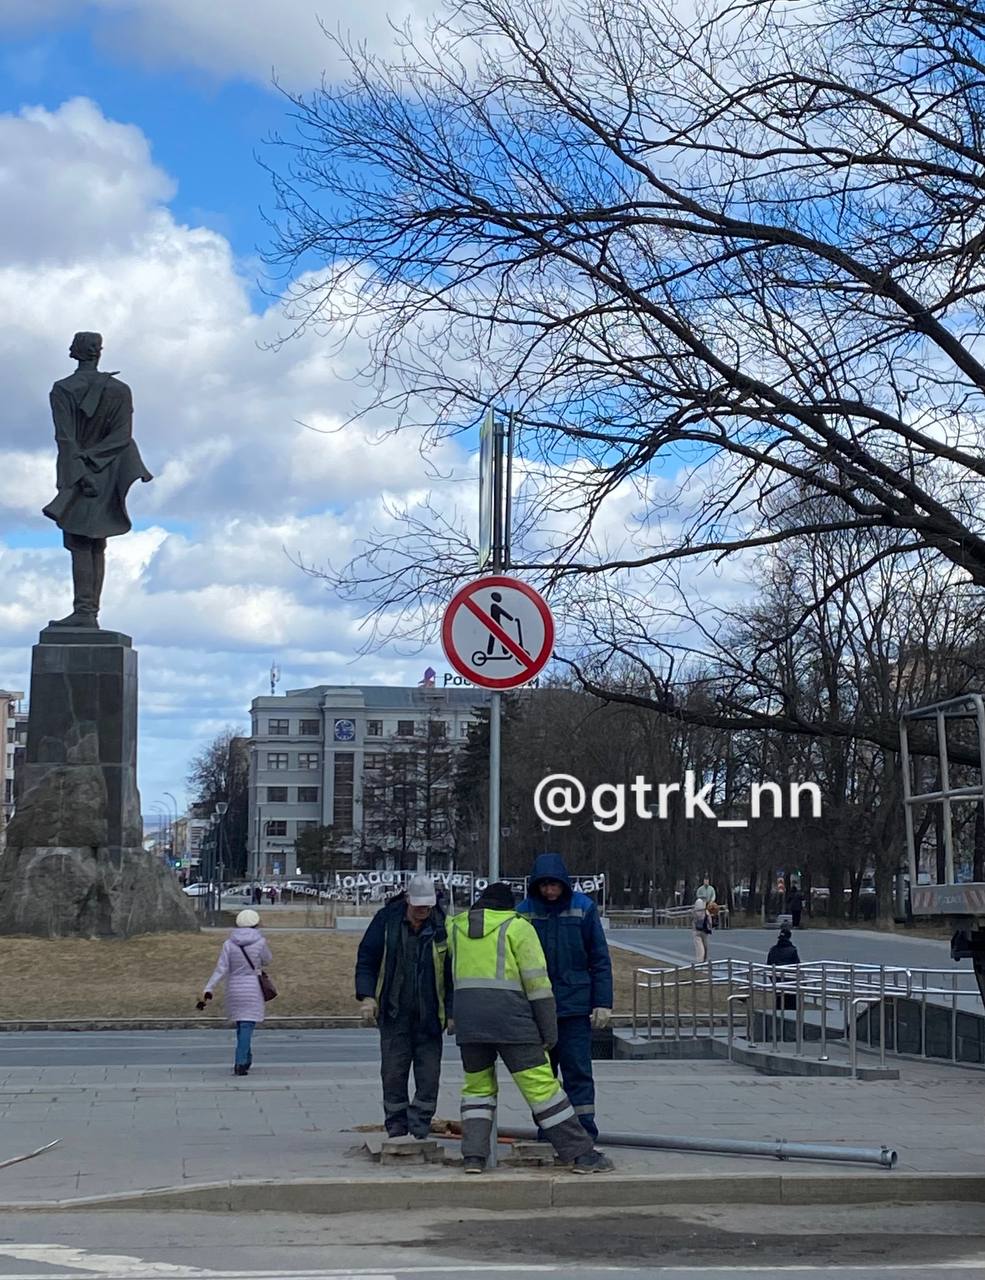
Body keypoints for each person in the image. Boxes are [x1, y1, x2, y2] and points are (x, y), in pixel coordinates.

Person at [449, 881, 613, 1175]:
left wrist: (451, 1014)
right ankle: (580, 1155)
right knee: (543, 1089)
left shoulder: (456, 928)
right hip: (513, 1022)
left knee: (476, 1090)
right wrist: (549, 1032)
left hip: (469, 1024)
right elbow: (538, 987)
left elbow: (447, 974)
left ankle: (474, 1156)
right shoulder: (518, 927)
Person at [42, 331, 152, 628]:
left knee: (80, 543)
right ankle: (88, 612)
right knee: (96, 543)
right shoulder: (120, 390)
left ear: (74, 352)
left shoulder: (63, 389)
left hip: (78, 473)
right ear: (99, 353)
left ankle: (84, 611)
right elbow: (121, 436)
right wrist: (94, 467)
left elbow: (65, 439)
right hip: (106, 472)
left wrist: (78, 473)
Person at [516, 853, 613, 1141]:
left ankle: (584, 1134)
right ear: (536, 885)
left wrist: (602, 1002)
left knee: (578, 1074)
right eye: (544, 885)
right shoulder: (523, 912)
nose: (549, 891)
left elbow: (599, 958)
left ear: (563, 884)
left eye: (554, 885)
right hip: (537, 1011)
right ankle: (550, 1133)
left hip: (573, 1009)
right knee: (543, 1080)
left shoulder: (583, 909)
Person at [354, 873, 452, 1140]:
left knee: (429, 1076)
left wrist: (453, 1012)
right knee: (394, 1073)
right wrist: (367, 996)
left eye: (428, 906)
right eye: (419, 905)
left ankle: (420, 1123)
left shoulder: (443, 926)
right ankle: (396, 1124)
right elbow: (367, 959)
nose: (424, 911)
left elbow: (452, 972)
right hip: (394, 1013)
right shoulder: (386, 922)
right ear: (408, 899)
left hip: (431, 1016)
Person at [198, 908, 272, 1076]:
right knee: (247, 1025)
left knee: (241, 1024)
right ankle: (240, 1061)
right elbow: (268, 959)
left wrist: (208, 987)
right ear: (255, 923)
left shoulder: (228, 944)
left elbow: (221, 969)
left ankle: (246, 1057)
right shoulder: (260, 942)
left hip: (234, 987)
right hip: (252, 987)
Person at [767, 925, 801, 1009]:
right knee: (792, 1007)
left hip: (778, 982)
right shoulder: (792, 950)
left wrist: (774, 980)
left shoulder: (773, 950)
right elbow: (797, 966)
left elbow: (769, 966)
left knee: (779, 1006)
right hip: (791, 984)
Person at [693, 897, 712, 963]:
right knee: (705, 945)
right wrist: (710, 926)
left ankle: (700, 959)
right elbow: (709, 920)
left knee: (699, 945)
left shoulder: (694, 912)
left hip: (696, 930)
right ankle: (705, 958)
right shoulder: (706, 911)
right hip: (705, 930)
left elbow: (693, 920)